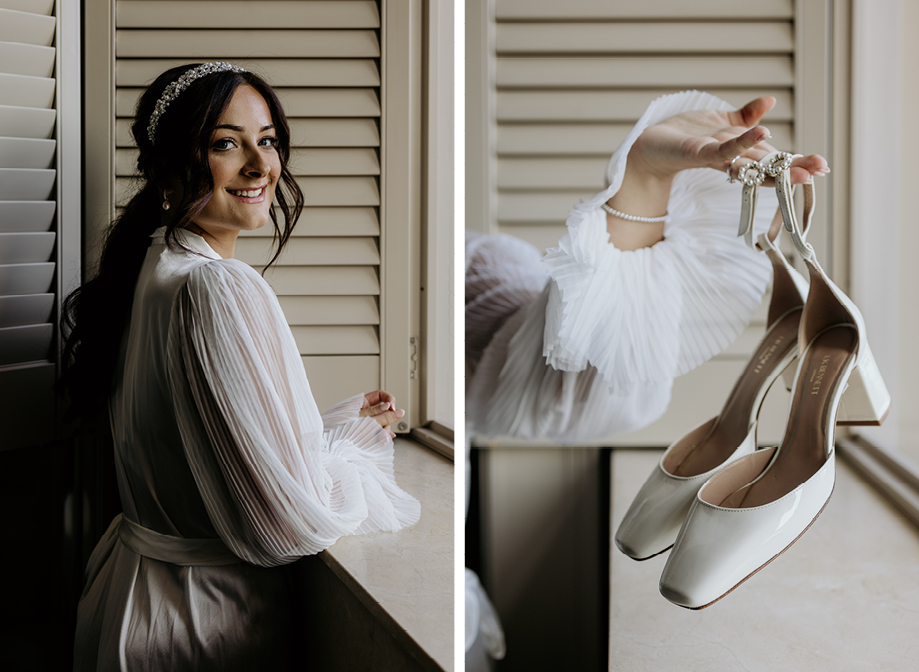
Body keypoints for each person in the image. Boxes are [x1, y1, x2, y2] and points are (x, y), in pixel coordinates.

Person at [60, 62, 420, 670]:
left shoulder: (156, 266)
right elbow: (287, 526)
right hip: (202, 624)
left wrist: (330, 427)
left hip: (133, 596)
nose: (260, 166)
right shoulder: (219, 288)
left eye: (268, 140)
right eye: (227, 143)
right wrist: (358, 443)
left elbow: (206, 445)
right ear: (172, 167)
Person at [465, 90, 829, 444]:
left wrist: (646, 181)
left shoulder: (471, 262)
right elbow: (538, 395)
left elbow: (560, 390)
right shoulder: (461, 266)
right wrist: (644, 178)